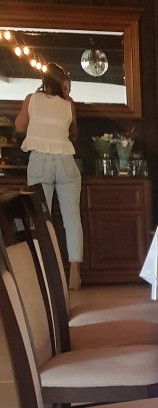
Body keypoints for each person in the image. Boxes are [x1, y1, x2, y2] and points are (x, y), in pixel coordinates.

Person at [15, 62, 83, 290]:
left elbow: (20, 126)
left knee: (41, 219)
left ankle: (47, 272)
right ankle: (75, 273)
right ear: (62, 82)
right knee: (72, 218)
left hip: (40, 161)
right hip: (66, 161)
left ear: (44, 81)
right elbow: (73, 132)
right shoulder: (68, 104)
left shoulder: (31, 99)